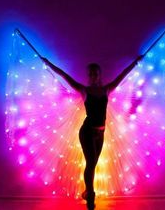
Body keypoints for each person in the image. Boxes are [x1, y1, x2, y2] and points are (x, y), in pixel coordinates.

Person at [41, 54, 144, 209]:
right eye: (90, 73)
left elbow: (123, 75)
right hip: (87, 132)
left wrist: (135, 63)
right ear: (88, 76)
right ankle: (91, 198)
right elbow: (64, 75)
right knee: (90, 164)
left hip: (100, 134)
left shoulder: (106, 89)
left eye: (95, 73)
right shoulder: (84, 91)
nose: (93, 76)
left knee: (92, 165)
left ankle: (87, 192)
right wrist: (48, 63)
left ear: (99, 75)